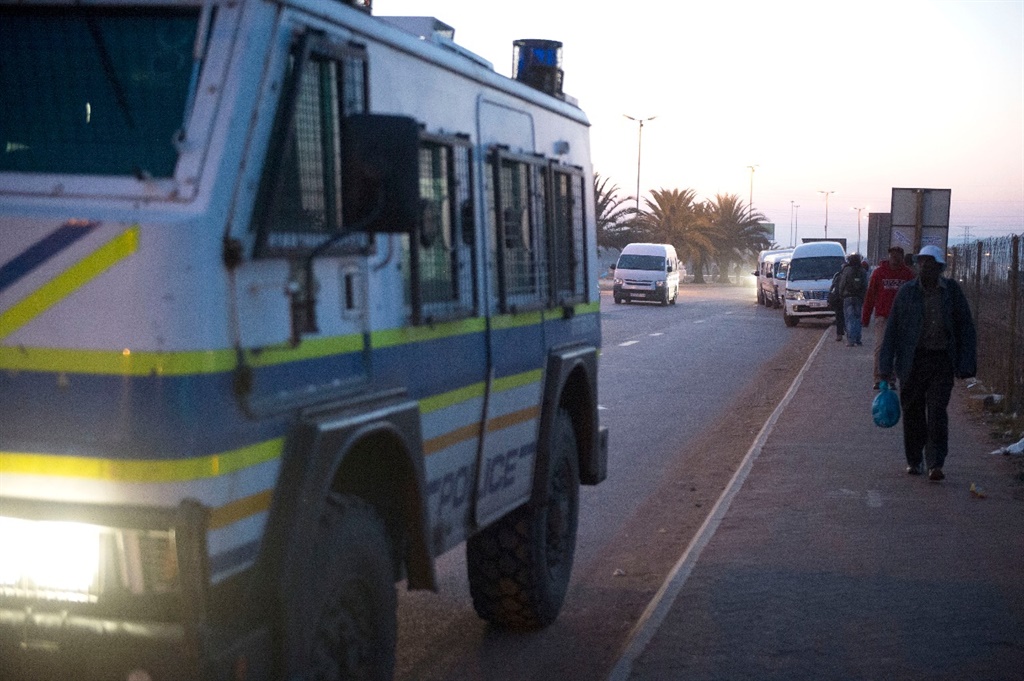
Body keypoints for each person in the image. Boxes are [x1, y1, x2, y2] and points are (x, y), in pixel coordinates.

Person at [879, 245, 977, 482]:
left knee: (936, 412)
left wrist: (967, 363)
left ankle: (935, 462)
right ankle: (914, 460)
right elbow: (892, 330)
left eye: (930, 263)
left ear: (940, 267)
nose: (924, 267)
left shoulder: (951, 292)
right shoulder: (906, 293)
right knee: (912, 413)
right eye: (921, 263)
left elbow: (966, 328)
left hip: (941, 361)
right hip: (912, 361)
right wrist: (885, 368)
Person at [861, 246, 916, 389]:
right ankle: (879, 377)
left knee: (899, 349)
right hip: (883, 317)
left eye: (897, 257)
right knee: (880, 347)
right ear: (889, 256)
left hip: (902, 318)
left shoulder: (907, 275)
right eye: (893, 256)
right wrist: (866, 317)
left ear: (902, 258)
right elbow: (871, 296)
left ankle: (892, 378)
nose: (895, 259)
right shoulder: (879, 273)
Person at [836, 253, 867, 346]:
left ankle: (850, 340)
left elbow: (842, 283)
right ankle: (858, 339)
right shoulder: (862, 271)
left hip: (848, 297)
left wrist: (840, 294)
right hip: (858, 297)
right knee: (857, 318)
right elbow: (865, 284)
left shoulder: (847, 270)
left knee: (849, 319)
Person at [828, 269, 845, 341]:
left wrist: (830, 299)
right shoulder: (849, 275)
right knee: (847, 316)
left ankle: (839, 334)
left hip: (838, 299)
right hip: (846, 298)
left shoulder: (837, 275)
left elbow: (832, 288)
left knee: (839, 317)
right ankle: (851, 334)